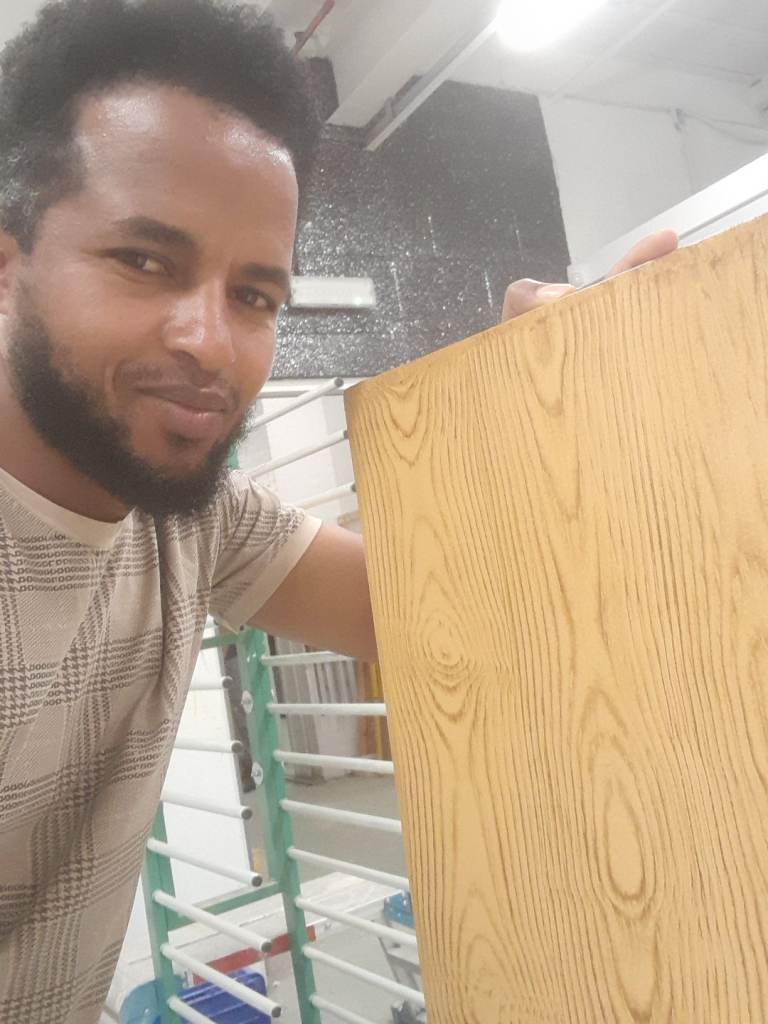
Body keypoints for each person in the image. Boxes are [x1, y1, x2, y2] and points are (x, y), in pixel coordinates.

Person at [0, 1, 677, 1020]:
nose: (209, 342)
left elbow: (447, 611)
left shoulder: (191, 518)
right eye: (145, 261)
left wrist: (546, 403)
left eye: (255, 295)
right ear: (8, 267)